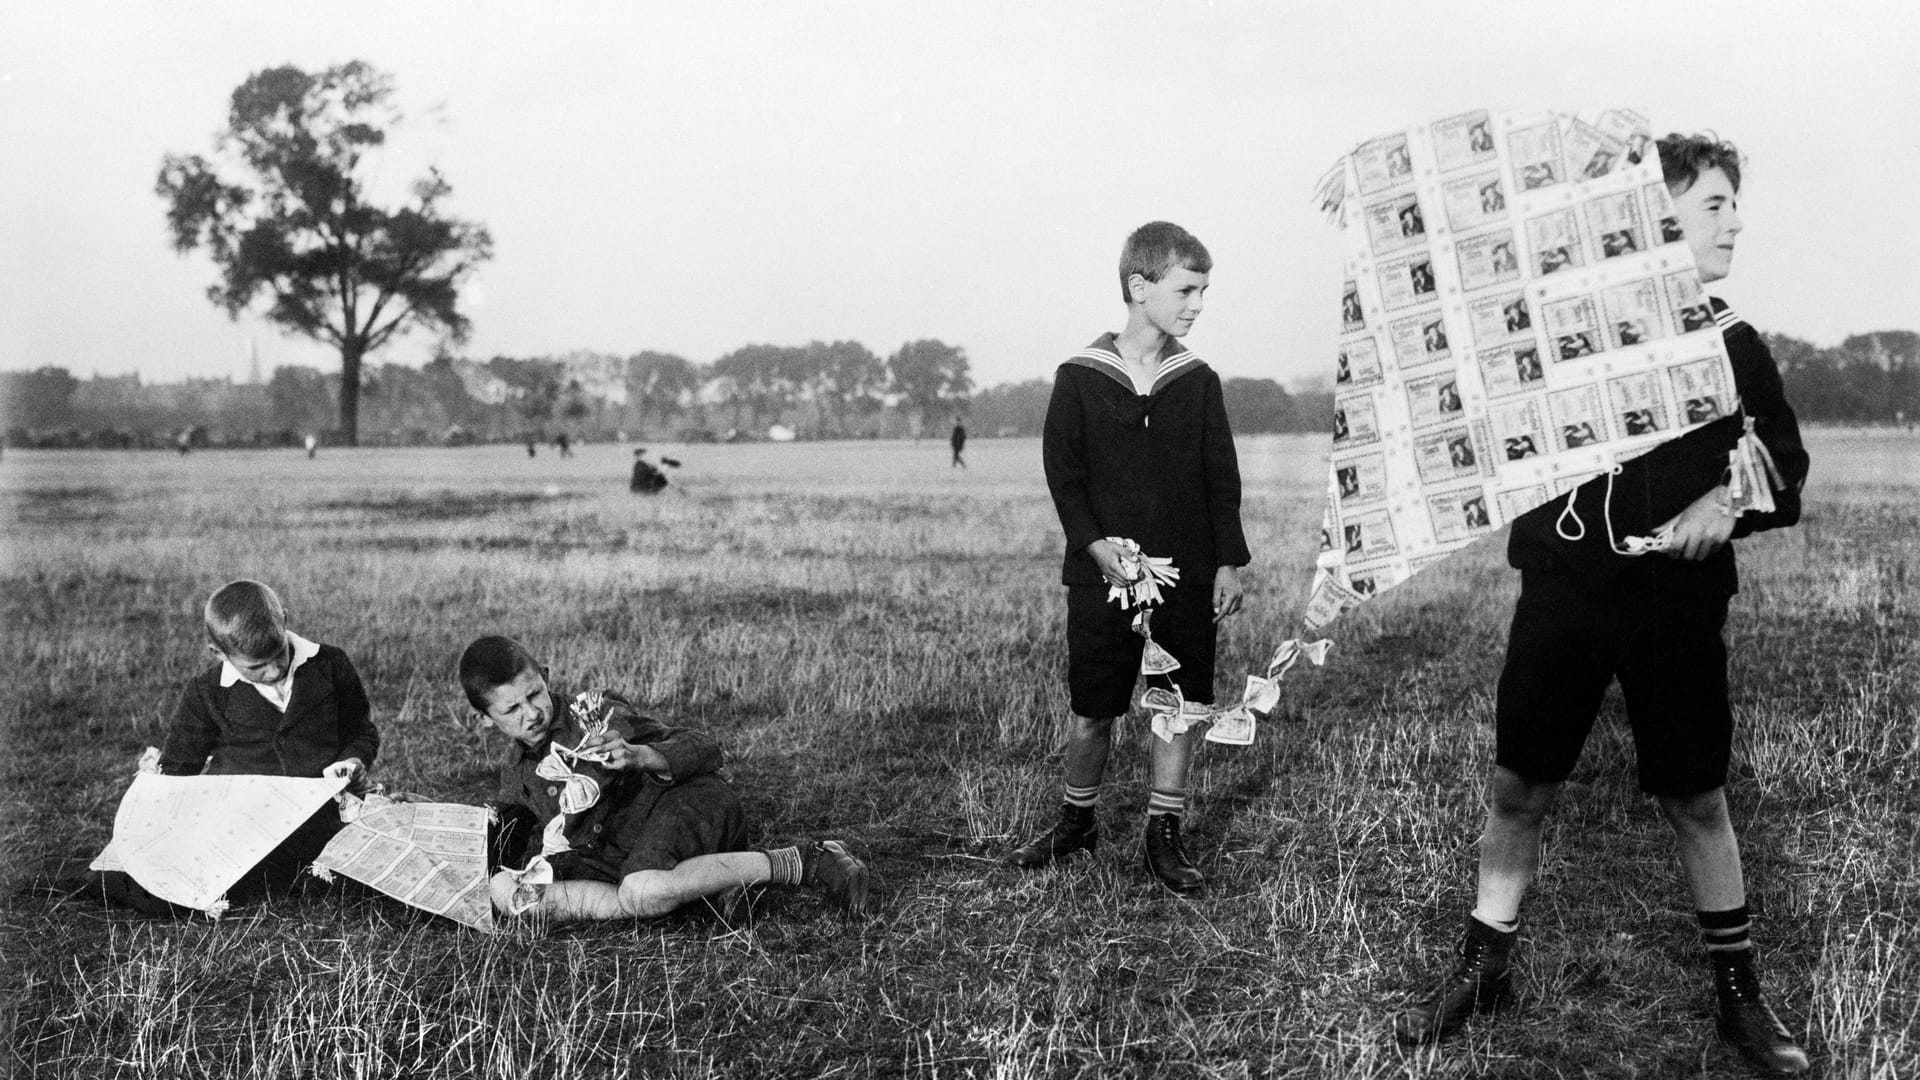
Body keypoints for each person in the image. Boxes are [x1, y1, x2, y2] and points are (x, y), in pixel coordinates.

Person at [1391, 134, 1812, 1076]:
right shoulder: (1554, 328)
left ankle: (1739, 997)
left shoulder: (1734, 342)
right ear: (1652, 221)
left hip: (1675, 603)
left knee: (1696, 797)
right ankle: (1482, 966)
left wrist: (1726, 499)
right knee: (1519, 786)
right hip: (1565, 593)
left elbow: (1784, 469)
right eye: (1713, 206)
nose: (1735, 221)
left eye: (1732, 205)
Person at [1009, 221, 1250, 895]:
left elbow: (1219, 477)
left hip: (1187, 570)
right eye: (1186, 289)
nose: (1197, 304)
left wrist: (1227, 562)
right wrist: (1094, 547)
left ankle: (1161, 834)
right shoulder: (1081, 376)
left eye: (1204, 290)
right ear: (1139, 288)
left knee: (1177, 704)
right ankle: (1076, 821)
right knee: (1093, 705)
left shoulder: (1197, 380)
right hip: (1101, 574)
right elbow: (1066, 474)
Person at [461, 635, 871, 922]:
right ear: (484, 720)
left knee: (642, 892)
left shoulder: (597, 711)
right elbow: (507, 831)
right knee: (509, 893)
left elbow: (707, 748)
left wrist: (641, 754)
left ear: (545, 677)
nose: (531, 713)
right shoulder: (516, 772)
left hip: (680, 805)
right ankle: (704, 891)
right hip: (619, 857)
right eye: (511, 709)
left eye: (534, 695)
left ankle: (810, 860)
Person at [101, 580, 379, 912]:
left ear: (285, 621)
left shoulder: (330, 665)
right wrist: (155, 780)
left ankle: (305, 873)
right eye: (256, 667)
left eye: (279, 654)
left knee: (371, 870)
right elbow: (178, 773)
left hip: (322, 818)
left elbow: (361, 732)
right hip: (240, 830)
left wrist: (353, 759)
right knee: (153, 889)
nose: (274, 670)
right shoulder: (206, 693)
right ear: (218, 653)